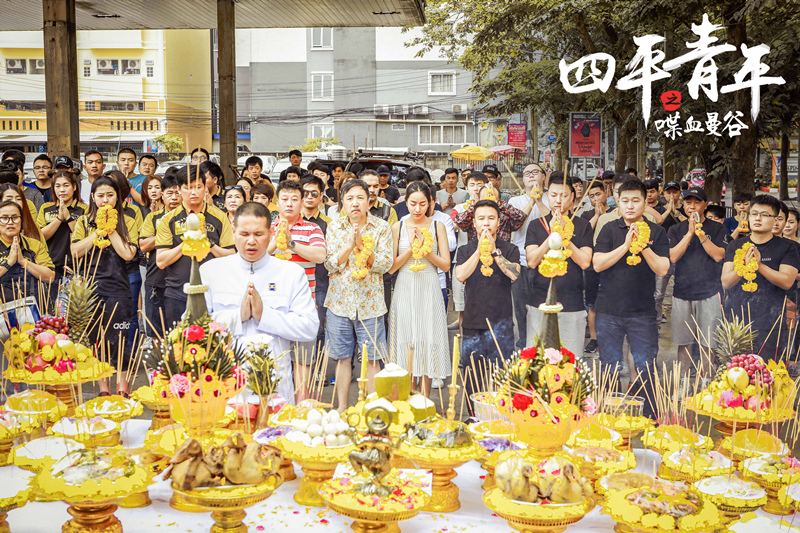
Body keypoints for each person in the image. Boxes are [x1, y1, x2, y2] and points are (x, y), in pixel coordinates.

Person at [200, 202, 318, 403]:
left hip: (276, 386)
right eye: (245, 234)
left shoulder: (291, 273)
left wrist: (265, 316)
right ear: (234, 231)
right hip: (225, 385)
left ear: (271, 233)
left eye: (258, 234)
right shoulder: (211, 271)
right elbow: (193, 330)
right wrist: (238, 317)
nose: (251, 241)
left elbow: (309, 328)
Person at [593, 179, 670, 418]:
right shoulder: (609, 229)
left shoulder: (656, 231)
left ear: (645, 201)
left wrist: (643, 245)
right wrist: (626, 245)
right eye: (625, 200)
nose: (630, 206)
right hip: (608, 310)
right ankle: (608, 417)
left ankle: (649, 419)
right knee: (610, 367)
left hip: (642, 312)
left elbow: (663, 269)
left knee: (646, 366)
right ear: (617, 201)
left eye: (636, 200)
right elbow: (597, 264)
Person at [324, 179, 393, 412]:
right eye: (350, 198)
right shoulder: (334, 227)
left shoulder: (381, 227)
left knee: (372, 360)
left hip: (370, 305)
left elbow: (384, 265)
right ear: (342, 201)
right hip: (339, 303)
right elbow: (331, 264)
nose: (355, 203)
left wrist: (363, 246)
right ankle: (343, 407)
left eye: (360, 198)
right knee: (343, 358)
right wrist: (350, 245)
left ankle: (370, 410)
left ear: (369, 200)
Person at [71, 177, 138, 396]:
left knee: (119, 341)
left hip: (118, 288)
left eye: (110, 195)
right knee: (95, 341)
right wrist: (96, 231)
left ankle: (123, 390)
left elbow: (128, 254)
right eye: (100, 195)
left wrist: (111, 230)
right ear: (92, 197)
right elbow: (74, 252)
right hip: (90, 290)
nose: (105, 200)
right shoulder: (83, 221)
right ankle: (103, 391)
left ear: (117, 196)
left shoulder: (128, 220)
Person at [389, 181, 451, 397]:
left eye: (422, 204)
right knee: (406, 338)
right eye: (413, 203)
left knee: (427, 337)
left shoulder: (437, 226)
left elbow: (445, 265)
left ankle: (424, 400)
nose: (417, 209)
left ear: (431, 203)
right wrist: (411, 248)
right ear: (405, 203)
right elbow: (391, 268)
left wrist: (426, 249)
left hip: (429, 285)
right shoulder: (397, 227)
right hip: (405, 284)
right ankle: (406, 396)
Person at [268, 180, 327, 402]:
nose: (290, 204)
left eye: (295, 199)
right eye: (285, 199)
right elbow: (259, 254)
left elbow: (320, 256)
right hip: (273, 307)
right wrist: (277, 238)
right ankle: (278, 409)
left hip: (304, 306)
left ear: (302, 202)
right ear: (277, 202)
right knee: (275, 361)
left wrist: (291, 243)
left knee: (302, 361)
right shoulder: (266, 227)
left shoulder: (313, 228)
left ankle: (302, 408)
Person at [455, 199, 520, 402]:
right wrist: (478, 251)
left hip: (502, 322)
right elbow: (460, 275)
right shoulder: (465, 250)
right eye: (481, 219)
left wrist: (494, 250)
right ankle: (473, 416)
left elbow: (514, 274)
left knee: (502, 378)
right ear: (473, 223)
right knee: (472, 377)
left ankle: (500, 418)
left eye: (491, 219)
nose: (486, 224)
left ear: (498, 222)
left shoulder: (509, 249)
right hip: (473, 322)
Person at [722, 195, 800, 361]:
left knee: (767, 375)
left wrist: (759, 266)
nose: (757, 218)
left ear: (775, 220)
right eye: (754, 213)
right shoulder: (735, 245)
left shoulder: (787, 247)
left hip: (772, 323)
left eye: (764, 215)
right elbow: (726, 282)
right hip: (737, 321)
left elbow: (787, 281)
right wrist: (744, 267)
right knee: (736, 376)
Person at [156, 166, 236, 325]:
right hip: (178, 292)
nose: (193, 192)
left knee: (213, 345)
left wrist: (208, 241)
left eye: (198, 187)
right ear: (179, 189)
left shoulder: (219, 217)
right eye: (188, 188)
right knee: (179, 345)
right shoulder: (168, 219)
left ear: (206, 188)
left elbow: (232, 257)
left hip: (214, 293)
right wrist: (187, 242)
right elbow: (161, 261)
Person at [525, 179, 593, 356]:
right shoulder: (536, 225)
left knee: (571, 360)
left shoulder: (583, 225)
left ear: (572, 197)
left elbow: (585, 262)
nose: (558, 200)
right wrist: (551, 238)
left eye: (563, 195)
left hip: (572, 302)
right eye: (554, 195)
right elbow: (531, 261)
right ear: (547, 196)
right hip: (539, 300)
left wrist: (565, 238)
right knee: (536, 361)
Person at [667, 187, 726, 385]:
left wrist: (700, 234)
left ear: (705, 205)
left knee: (707, 344)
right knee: (683, 343)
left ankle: (706, 383)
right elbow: (673, 256)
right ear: (682, 205)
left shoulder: (717, 228)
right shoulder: (676, 229)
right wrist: (690, 233)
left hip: (709, 293)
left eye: (697, 202)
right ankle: (683, 384)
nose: (691, 206)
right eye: (687, 202)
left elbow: (719, 255)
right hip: (682, 292)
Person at [507, 164, 550, 348]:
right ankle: (524, 338)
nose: (532, 177)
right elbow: (514, 224)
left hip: (546, 260)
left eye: (535, 173)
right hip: (520, 261)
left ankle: (543, 338)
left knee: (543, 303)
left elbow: (552, 224)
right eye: (527, 174)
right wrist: (531, 201)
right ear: (523, 179)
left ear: (543, 177)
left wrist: (540, 201)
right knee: (521, 304)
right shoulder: (515, 201)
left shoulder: (551, 198)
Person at [36, 169, 88, 310]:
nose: (62, 190)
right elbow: (40, 237)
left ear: (74, 187)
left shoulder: (84, 209)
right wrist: (59, 218)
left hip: (76, 269)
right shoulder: (46, 208)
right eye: (57, 186)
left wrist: (69, 218)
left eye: (66, 185)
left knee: (74, 314)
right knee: (50, 310)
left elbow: (85, 238)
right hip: (51, 267)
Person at [139, 174, 181, 339]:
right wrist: (165, 231)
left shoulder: (190, 218)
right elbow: (143, 245)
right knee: (157, 333)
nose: (174, 197)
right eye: (170, 193)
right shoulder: (153, 217)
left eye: (178, 193)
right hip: (157, 280)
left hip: (181, 282)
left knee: (181, 334)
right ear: (162, 194)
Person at [301, 175, 332, 364]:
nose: (309, 197)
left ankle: (318, 368)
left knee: (319, 326)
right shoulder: (290, 222)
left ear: (321, 195)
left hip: (320, 282)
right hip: (297, 281)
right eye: (305, 193)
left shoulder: (329, 224)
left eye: (314, 193)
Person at [0, 199, 54, 307]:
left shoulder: (34, 245)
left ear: (21, 220)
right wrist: (9, 262)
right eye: (4, 218)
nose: (10, 222)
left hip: (34, 307)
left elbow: (50, 276)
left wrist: (24, 262)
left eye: (15, 217)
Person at [581, 180, 614, 354]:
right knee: (592, 304)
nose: (595, 198)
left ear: (606, 194)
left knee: (610, 303)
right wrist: (596, 215)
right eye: (591, 196)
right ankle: (594, 339)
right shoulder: (586, 216)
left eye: (598, 194)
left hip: (611, 265)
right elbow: (584, 232)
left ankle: (609, 337)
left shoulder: (616, 213)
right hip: (592, 266)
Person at [454, 171, 526, 243]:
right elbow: (459, 222)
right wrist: (475, 206)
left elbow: (521, 217)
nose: (488, 202)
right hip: (477, 251)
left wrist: (497, 203)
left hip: (501, 251)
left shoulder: (505, 215)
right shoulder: (472, 215)